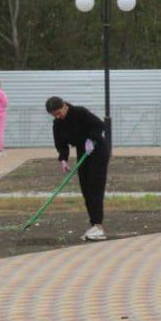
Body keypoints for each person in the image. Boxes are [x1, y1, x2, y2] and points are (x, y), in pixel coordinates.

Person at [45, 96, 110, 241]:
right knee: (85, 188)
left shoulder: (80, 113)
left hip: (97, 150)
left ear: (64, 106)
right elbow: (61, 144)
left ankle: (98, 226)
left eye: (58, 112)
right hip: (83, 152)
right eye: (54, 115)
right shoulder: (57, 124)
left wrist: (91, 139)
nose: (58, 116)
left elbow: (99, 125)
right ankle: (94, 224)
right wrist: (63, 159)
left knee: (95, 187)